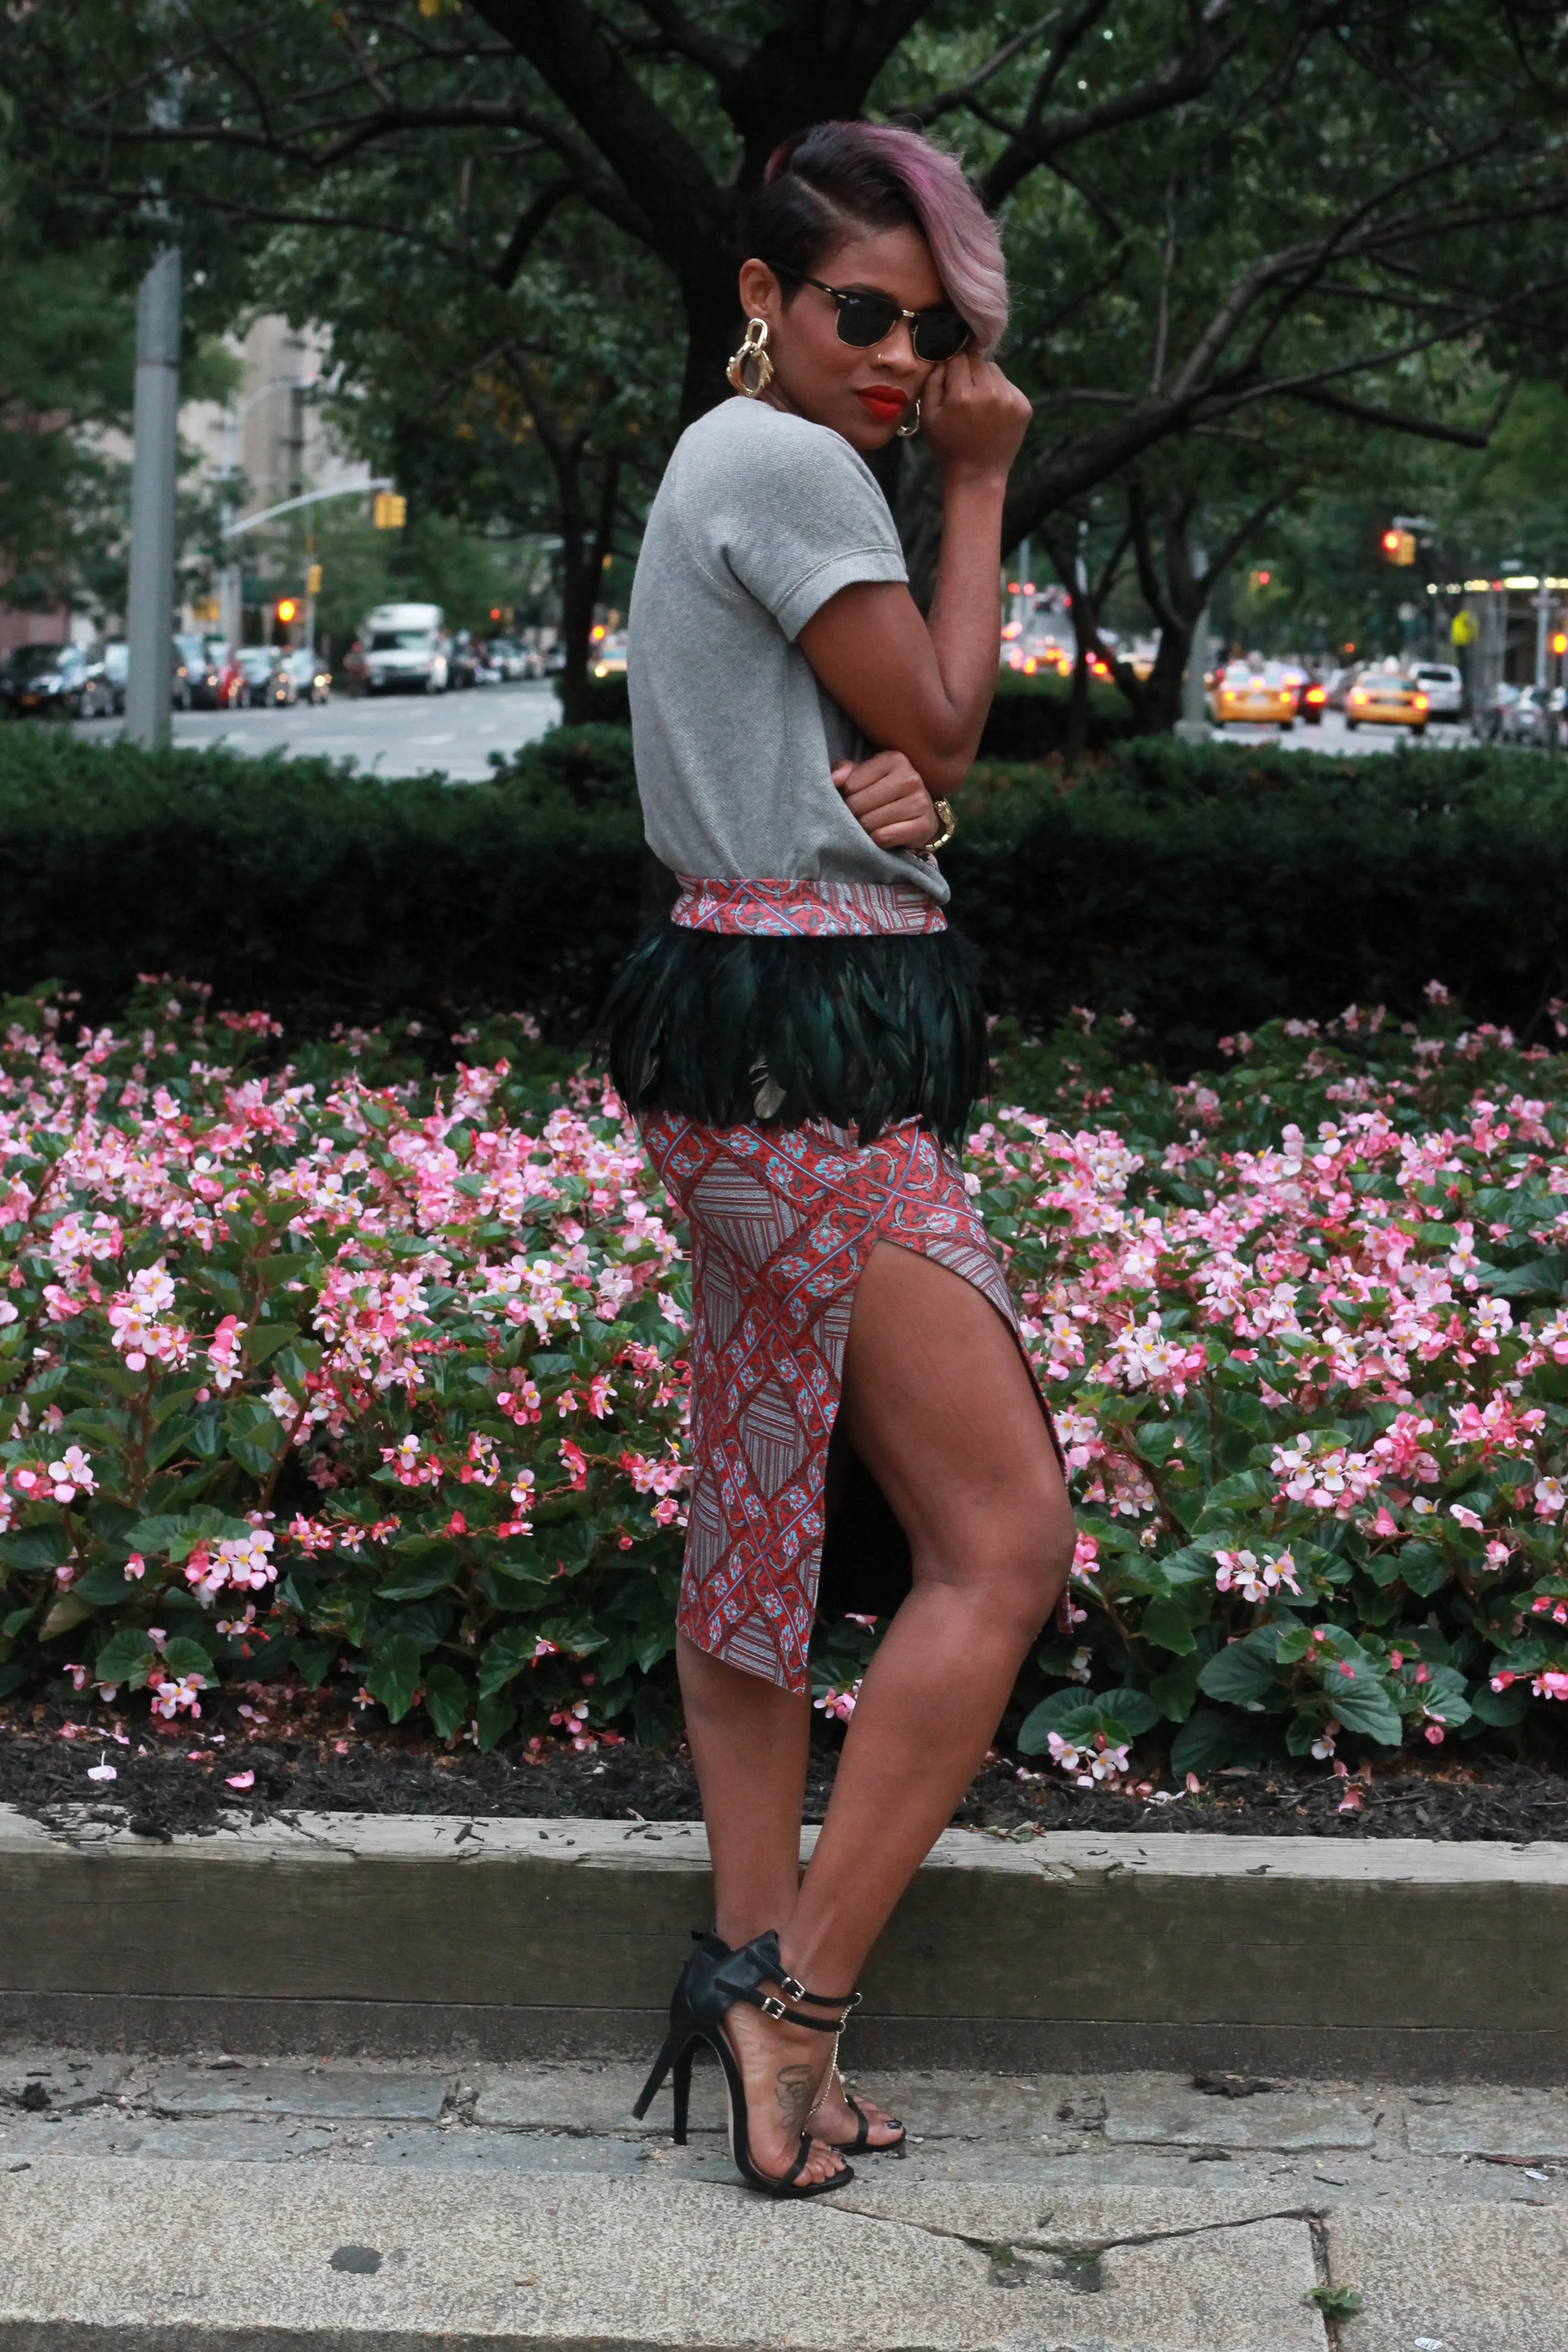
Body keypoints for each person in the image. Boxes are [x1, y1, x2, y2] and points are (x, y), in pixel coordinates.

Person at [605, 119, 1075, 2199]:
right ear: (762, 307)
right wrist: (977, 478)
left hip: (747, 1029)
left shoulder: (747, 477)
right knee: (1004, 1537)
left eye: (935, 329)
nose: (900, 358)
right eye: (861, 317)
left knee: (761, 1522)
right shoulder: (796, 469)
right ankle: (793, 2012)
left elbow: (890, 764)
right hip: (803, 1062)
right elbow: (954, 718)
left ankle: (740, 1960)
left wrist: (887, 798)